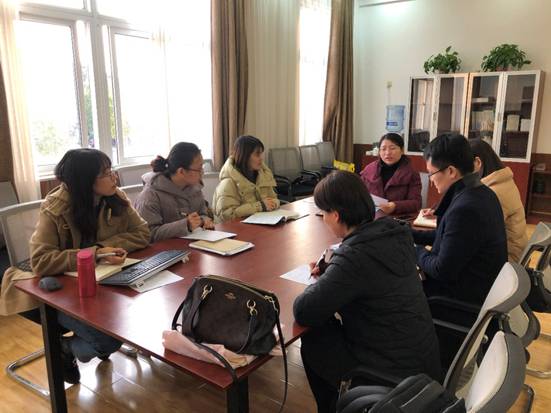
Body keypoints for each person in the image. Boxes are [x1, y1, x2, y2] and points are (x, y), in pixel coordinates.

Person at [293, 171, 441, 413]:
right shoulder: (395, 233)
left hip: (393, 380)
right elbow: (371, 276)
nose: (324, 219)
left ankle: (335, 406)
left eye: (323, 214)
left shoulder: (355, 256)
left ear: (336, 215)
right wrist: (334, 271)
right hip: (423, 365)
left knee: (315, 333)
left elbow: (303, 310)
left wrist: (326, 279)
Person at [30, 148, 150, 384]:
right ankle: (64, 348)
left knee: (135, 318)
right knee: (107, 339)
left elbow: (143, 232)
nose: (114, 177)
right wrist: (94, 254)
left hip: (105, 283)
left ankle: (84, 343)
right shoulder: (55, 209)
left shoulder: (115, 197)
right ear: (85, 181)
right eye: (106, 173)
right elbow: (40, 260)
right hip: (63, 293)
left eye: (112, 170)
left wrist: (103, 248)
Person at [412, 134, 507, 305]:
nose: (431, 180)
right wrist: (411, 234)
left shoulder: (466, 209)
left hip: (457, 301)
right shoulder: (481, 192)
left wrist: (415, 250)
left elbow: (441, 270)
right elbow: (451, 238)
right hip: (473, 287)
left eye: (432, 173)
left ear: (451, 171)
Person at [134, 142, 215, 242]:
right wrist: (185, 225)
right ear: (181, 171)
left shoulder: (195, 188)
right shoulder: (150, 195)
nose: (202, 172)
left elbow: (203, 213)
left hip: (194, 245)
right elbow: (149, 234)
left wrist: (204, 220)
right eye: (199, 169)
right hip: (165, 250)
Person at [469, 139, 527, 262]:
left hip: (508, 260)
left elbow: (478, 233)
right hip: (515, 251)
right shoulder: (502, 181)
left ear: (478, 162)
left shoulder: (494, 192)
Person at [213, 135, 280, 222]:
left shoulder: (263, 176)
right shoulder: (228, 182)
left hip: (259, 223)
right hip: (233, 228)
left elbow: (274, 199)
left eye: (261, 154)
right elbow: (227, 215)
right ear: (245, 156)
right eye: (257, 154)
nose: (261, 158)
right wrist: (260, 206)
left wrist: (273, 203)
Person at [360, 133, 422, 214]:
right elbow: (359, 194)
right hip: (371, 216)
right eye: (383, 149)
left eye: (392, 148)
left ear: (402, 150)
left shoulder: (411, 173)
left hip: (397, 217)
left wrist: (395, 206)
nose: (387, 153)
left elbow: (416, 203)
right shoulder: (369, 170)